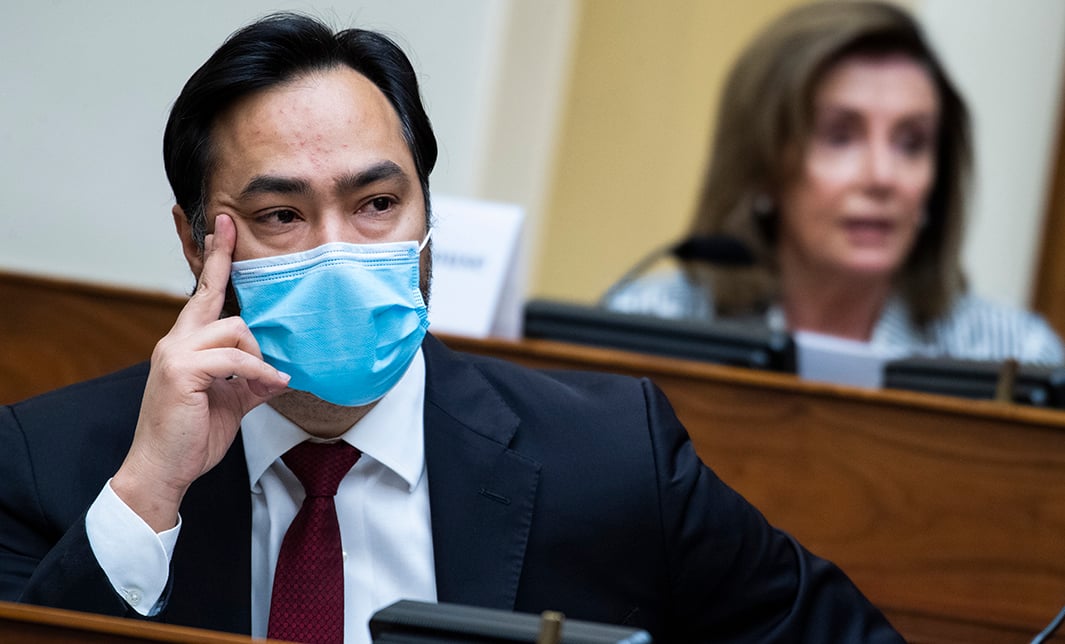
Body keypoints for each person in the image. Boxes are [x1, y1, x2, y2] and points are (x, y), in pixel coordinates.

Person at [0, 12, 903, 644]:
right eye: (280, 216)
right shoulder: (54, 464)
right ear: (197, 240)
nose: (340, 250)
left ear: (428, 218)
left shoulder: (613, 459)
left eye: (377, 203)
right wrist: (149, 493)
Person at [604, 0, 1065, 365]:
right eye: (840, 136)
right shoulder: (648, 328)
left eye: (912, 143)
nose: (883, 178)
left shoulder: (1014, 356)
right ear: (763, 166)